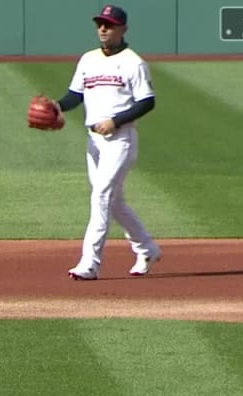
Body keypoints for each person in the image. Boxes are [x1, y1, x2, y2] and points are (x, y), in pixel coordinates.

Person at [56, 4, 161, 280]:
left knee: (101, 195)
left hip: (120, 140)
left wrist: (115, 121)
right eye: (100, 24)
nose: (103, 29)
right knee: (113, 202)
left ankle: (90, 263)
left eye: (110, 24)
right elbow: (74, 96)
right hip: (94, 142)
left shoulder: (133, 62)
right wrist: (56, 106)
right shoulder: (88, 59)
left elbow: (147, 101)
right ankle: (147, 247)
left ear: (123, 29)